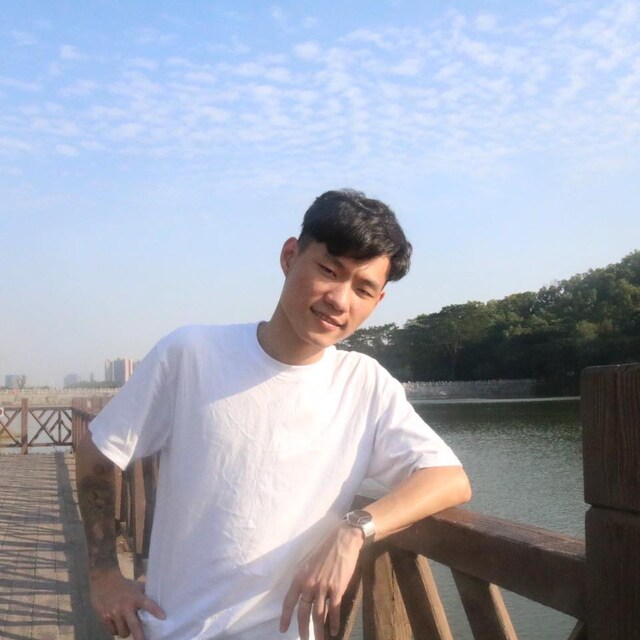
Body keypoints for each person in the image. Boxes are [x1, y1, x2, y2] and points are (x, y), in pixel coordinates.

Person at [76, 189, 471, 640]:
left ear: (377, 301)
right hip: (178, 630)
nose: (340, 300)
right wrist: (103, 575)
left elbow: (449, 479)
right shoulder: (191, 354)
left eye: (362, 289)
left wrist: (355, 529)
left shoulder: (365, 384)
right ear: (289, 256)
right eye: (329, 271)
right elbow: (98, 451)